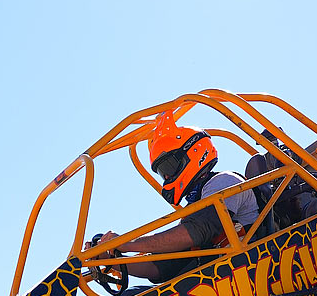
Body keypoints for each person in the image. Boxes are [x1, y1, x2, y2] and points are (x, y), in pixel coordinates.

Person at [95, 113, 264, 285]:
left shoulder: (224, 181)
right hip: (220, 283)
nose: (167, 176)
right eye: (162, 173)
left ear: (194, 152)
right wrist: (110, 260)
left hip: (254, 273)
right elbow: (160, 266)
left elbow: (198, 230)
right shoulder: (194, 209)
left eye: (168, 167)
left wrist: (128, 243)